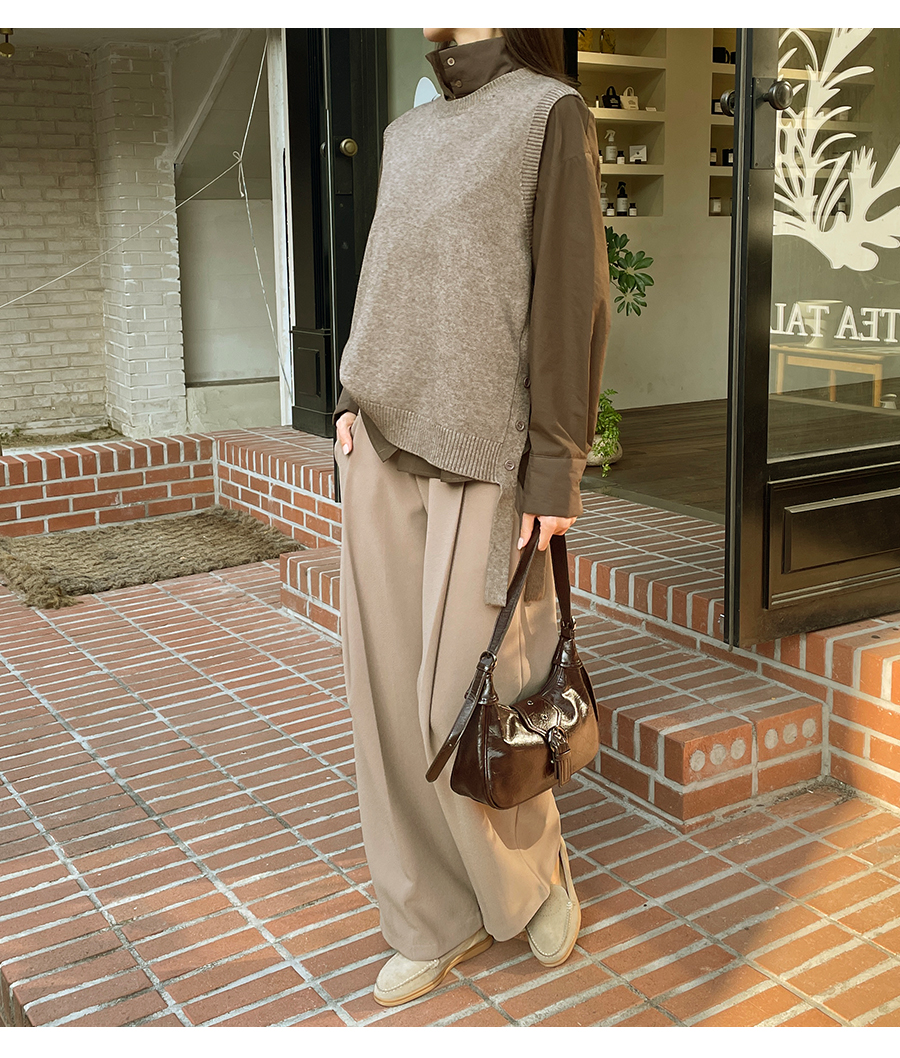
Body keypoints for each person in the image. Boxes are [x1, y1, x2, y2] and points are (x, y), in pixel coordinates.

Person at [333, 27, 610, 1007]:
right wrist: (347, 399)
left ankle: (533, 877)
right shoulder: (406, 135)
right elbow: (385, 276)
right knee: (384, 702)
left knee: (470, 691)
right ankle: (430, 916)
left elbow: (572, 296)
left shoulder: (547, 113)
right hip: (382, 444)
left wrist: (555, 469)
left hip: (489, 455)